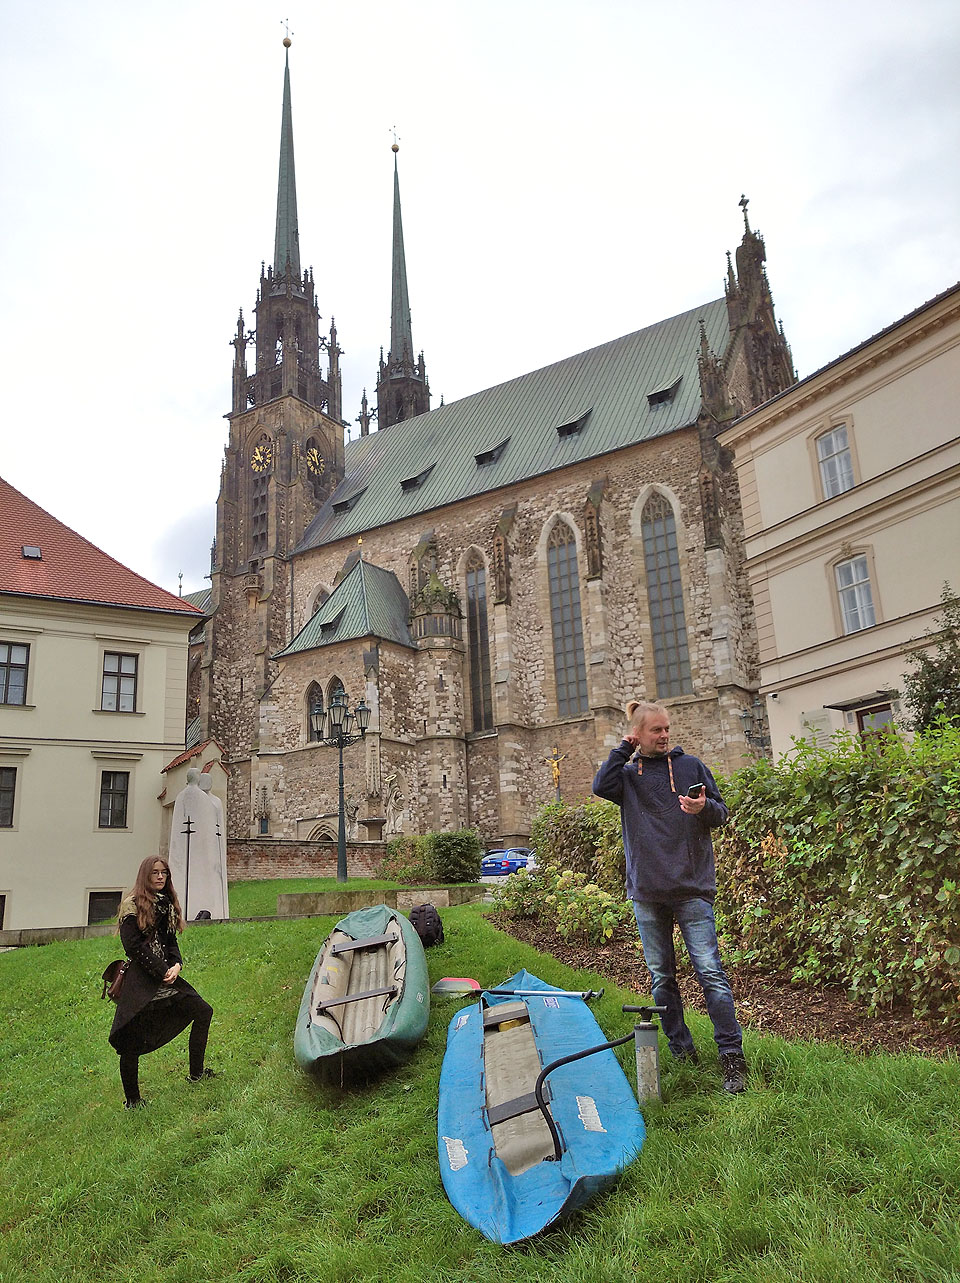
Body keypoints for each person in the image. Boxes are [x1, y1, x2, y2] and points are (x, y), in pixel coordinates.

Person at [592, 700, 748, 1093]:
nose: (664, 736)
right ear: (639, 735)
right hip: (646, 891)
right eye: (656, 730)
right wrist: (622, 749)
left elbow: (722, 813)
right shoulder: (627, 776)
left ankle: (732, 1057)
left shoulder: (691, 766)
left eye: (666, 729)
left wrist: (702, 807)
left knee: (711, 974)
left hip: (692, 887)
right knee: (662, 977)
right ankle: (682, 1050)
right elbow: (599, 786)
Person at [108, 856, 215, 1108]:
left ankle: (197, 1074)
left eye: (164, 873)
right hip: (140, 982)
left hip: (167, 977)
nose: (159, 877)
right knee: (129, 1040)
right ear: (145, 875)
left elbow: (170, 942)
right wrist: (162, 970)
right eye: (155, 872)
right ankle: (133, 1101)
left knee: (203, 1011)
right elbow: (133, 946)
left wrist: (176, 964)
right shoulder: (131, 906)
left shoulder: (165, 904)